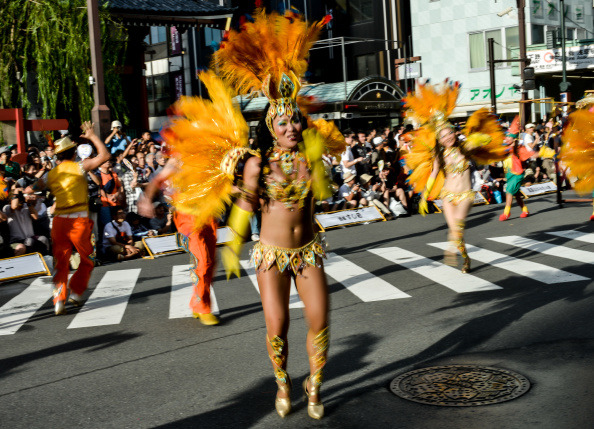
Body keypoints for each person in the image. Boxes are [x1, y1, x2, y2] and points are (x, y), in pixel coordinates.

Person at [167, 10, 340, 419]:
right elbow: (244, 208)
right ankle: (283, 382)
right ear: (271, 125)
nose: (291, 127)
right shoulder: (257, 163)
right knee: (277, 326)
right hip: (271, 254)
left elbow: (326, 196)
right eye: (283, 122)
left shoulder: (313, 157)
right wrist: (233, 246)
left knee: (320, 319)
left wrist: (321, 163)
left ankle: (314, 383)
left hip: (309, 249)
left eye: (295, 120)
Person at [405, 81, 508, 273]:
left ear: (454, 132)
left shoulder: (465, 148)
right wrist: (425, 194)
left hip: (465, 195)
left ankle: (452, 251)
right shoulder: (439, 155)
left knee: (458, 228)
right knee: (455, 233)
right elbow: (434, 172)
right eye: (443, 136)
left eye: (449, 134)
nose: (447, 138)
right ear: (439, 140)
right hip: (448, 196)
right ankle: (466, 258)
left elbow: (483, 141)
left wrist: (479, 139)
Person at [138, 158, 220, 326]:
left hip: (208, 215)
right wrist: (146, 199)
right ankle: (203, 307)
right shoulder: (177, 160)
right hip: (187, 217)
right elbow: (157, 180)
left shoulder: (209, 153)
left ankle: (197, 302)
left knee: (210, 263)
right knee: (202, 260)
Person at [44, 121, 110, 315]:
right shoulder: (80, 167)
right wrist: (92, 136)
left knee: (61, 261)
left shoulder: (51, 174)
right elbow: (105, 156)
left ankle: (59, 299)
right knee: (88, 259)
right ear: (73, 152)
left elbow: (34, 187)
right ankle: (76, 292)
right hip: (78, 221)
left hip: (58, 223)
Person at [499, 117, 532, 221]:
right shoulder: (505, 148)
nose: (506, 139)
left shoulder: (518, 148)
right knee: (517, 195)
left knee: (509, 191)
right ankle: (525, 210)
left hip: (517, 174)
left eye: (509, 137)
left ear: (514, 139)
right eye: (506, 137)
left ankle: (506, 212)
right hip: (509, 174)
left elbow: (530, 154)